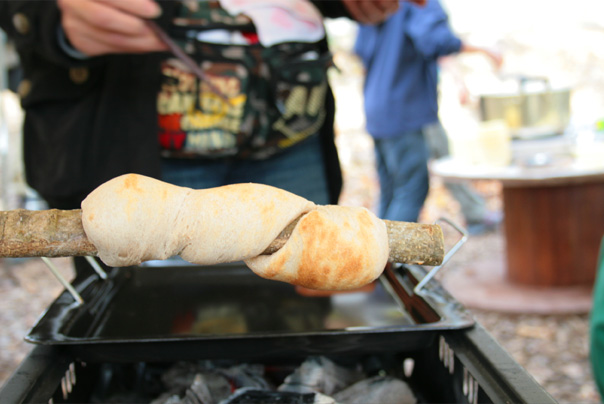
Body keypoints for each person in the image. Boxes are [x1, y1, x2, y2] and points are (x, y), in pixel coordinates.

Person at [0, 0, 407, 213]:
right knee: (149, 336)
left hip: (292, 136)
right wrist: (47, 15)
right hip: (132, 150)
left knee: (296, 323)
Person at [354, 0, 502, 232]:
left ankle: (380, 261)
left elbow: (361, 49)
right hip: (404, 110)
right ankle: (392, 262)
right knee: (411, 189)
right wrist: (482, 48)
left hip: (377, 108)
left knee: (391, 190)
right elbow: (435, 40)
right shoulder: (418, 4)